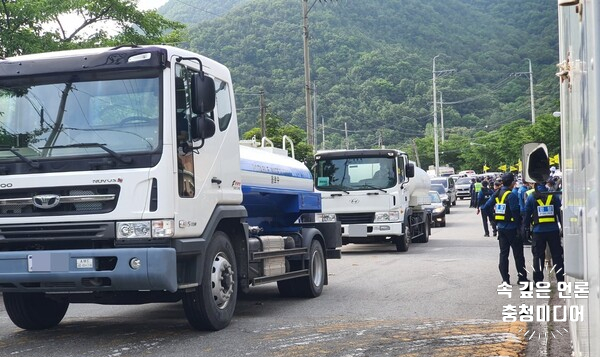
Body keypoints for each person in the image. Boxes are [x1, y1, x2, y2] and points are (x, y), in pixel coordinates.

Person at [481, 172, 530, 286]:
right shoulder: (511, 195)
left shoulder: (496, 193)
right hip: (512, 228)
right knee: (518, 254)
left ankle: (505, 279)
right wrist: (519, 226)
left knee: (503, 254)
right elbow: (515, 211)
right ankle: (521, 278)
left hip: (501, 228)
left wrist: (493, 219)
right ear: (512, 183)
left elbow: (487, 206)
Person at [523, 180, 564, 285]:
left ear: (534, 184)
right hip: (553, 230)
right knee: (557, 256)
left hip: (538, 231)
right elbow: (560, 213)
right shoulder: (553, 196)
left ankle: (538, 280)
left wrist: (526, 229)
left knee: (538, 256)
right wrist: (563, 228)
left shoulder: (532, 197)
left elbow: (527, 215)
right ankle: (560, 279)